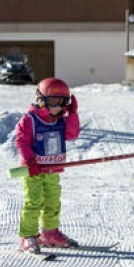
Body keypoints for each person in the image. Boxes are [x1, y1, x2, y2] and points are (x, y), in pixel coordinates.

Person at [15, 78, 81, 253]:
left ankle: (49, 233)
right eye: (53, 101)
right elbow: (21, 141)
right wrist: (30, 161)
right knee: (33, 202)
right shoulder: (30, 120)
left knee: (52, 202)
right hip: (33, 170)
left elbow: (72, 134)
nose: (57, 107)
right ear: (41, 99)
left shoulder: (60, 121)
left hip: (52, 169)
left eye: (62, 102)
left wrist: (72, 114)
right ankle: (27, 235)